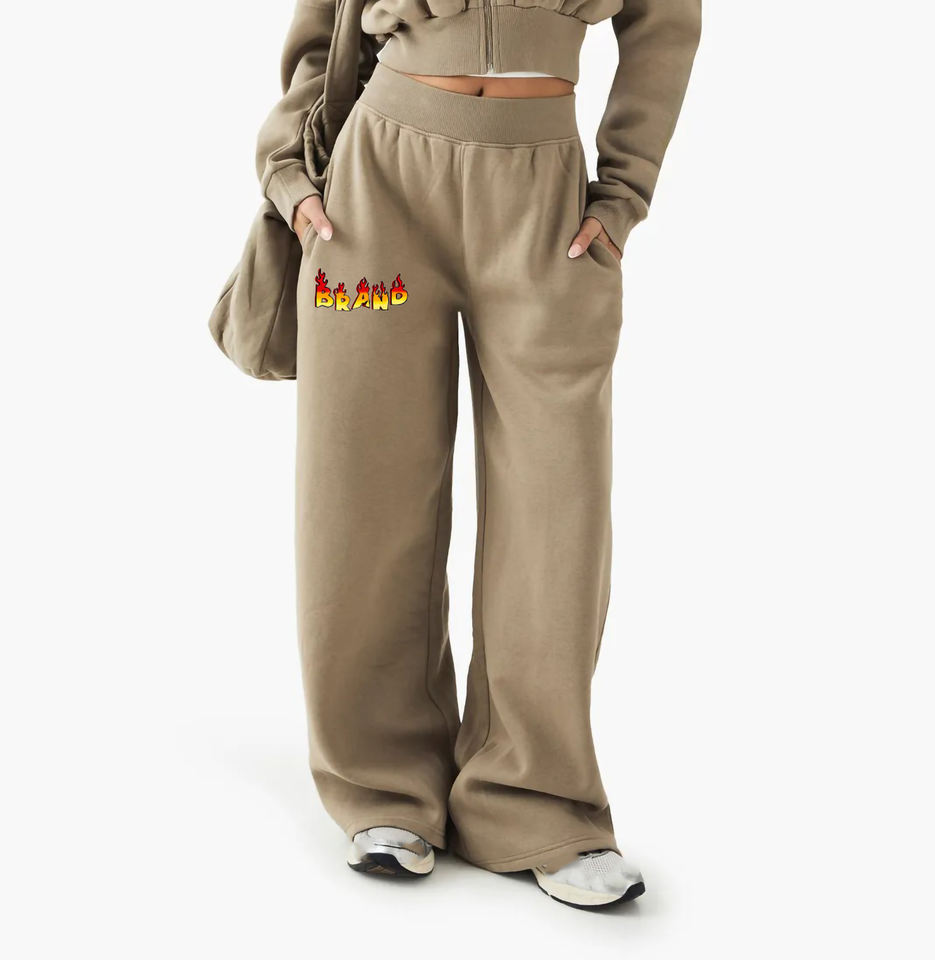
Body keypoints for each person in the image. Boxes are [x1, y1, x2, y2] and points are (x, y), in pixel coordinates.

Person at [252, 0, 700, 910]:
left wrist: (624, 192)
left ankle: (534, 799)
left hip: (547, 205)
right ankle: (383, 786)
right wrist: (291, 175)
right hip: (378, 195)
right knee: (362, 491)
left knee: (558, 507)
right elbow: (321, 29)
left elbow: (667, 20)